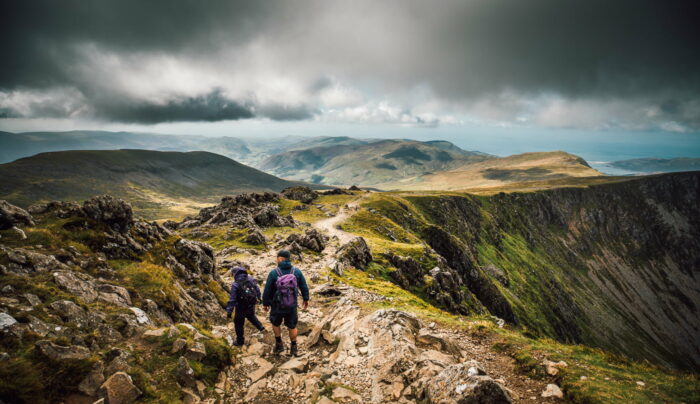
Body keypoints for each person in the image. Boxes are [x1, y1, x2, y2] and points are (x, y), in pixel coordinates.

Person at [262, 250, 310, 357]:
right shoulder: (296, 271)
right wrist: (306, 299)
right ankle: (294, 347)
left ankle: (279, 344)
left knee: (275, 323)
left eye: (277, 257)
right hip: (292, 305)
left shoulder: (274, 272)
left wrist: (265, 303)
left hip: (277, 305)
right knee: (292, 325)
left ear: (280, 259)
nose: (276, 259)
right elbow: (303, 286)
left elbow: (267, 290)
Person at [226, 266, 265, 346]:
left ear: (234, 274)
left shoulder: (235, 284)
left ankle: (240, 341)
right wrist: (259, 298)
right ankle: (261, 328)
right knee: (251, 316)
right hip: (251, 303)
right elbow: (257, 289)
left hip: (240, 306)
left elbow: (232, 299)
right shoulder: (250, 279)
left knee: (239, 322)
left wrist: (229, 311)